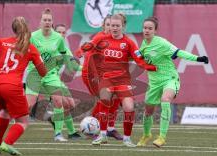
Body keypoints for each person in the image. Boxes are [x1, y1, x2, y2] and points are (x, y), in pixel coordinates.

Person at [80, 13, 157, 147]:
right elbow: (88, 48)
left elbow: (139, 59)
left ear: (123, 26)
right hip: (106, 79)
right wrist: (82, 50)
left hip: (122, 80)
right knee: (105, 101)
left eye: (117, 25)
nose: (114, 28)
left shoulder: (129, 43)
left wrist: (150, 67)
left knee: (129, 107)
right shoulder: (102, 39)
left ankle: (127, 139)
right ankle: (102, 135)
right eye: (112, 25)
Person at [0, 17, 47, 156]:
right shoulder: (30, 48)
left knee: (5, 111)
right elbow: (43, 72)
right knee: (23, 121)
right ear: (27, 29)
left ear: (13, 29)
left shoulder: (1, 42)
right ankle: (7, 143)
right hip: (12, 86)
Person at [136, 17, 209, 148]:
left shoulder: (162, 43)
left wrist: (197, 58)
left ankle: (162, 137)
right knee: (148, 111)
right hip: (154, 83)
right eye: (145, 28)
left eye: (150, 28)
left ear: (155, 31)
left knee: (165, 99)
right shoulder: (143, 45)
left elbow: (179, 52)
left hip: (169, 78)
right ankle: (146, 135)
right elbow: (138, 57)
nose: (147, 30)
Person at [25, 8, 81, 142]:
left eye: (49, 20)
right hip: (35, 74)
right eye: (45, 20)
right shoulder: (32, 36)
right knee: (28, 106)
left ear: (52, 22)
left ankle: (58, 134)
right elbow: (25, 54)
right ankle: (15, 126)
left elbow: (67, 57)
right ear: (40, 21)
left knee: (60, 101)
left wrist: (80, 66)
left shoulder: (58, 39)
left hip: (52, 75)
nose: (47, 22)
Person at [81, 15, 123, 140]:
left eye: (113, 25)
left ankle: (109, 128)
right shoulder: (100, 37)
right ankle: (93, 129)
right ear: (103, 26)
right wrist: (95, 74)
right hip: (91, 75)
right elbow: (90, 57)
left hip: (104, 75)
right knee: (104, 100)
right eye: (108, 25)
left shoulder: (113, 39)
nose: (111, 27)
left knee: (114, 98)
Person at [45, 23, 82, 140]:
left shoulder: (64, 48)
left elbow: (73, 64)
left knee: (70, 105)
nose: (61, 34)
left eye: (63, 32)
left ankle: (70, 132)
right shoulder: (48, 45)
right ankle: (58, 133)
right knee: (59, 102)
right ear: (54, 32)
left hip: (55, 78)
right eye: (59, 32)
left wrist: (87, 69)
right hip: (45, 78)